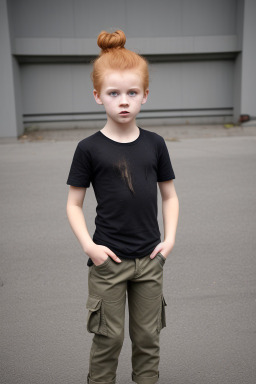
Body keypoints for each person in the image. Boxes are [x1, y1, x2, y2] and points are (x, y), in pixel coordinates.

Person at [66, 30, 179, 384]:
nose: (124, 101)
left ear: (145, 95)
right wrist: (90, 247)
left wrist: (169, 241)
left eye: (132, 93)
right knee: (108, 338)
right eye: (114, 93)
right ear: (98, 96)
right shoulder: (89, 148)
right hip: (108, 261)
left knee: (148, 338)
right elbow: (73, 203)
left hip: (149, 259)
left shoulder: (155, 144)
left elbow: (170, 195)